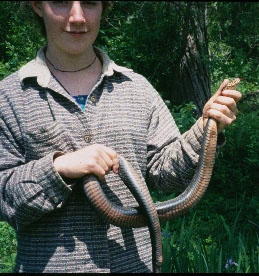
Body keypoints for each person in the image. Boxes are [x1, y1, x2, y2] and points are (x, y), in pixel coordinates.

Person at [0, 1, 242, 273]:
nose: (78, 17)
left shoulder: (137, 88)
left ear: (105, 7)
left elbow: (165, 174)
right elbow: (3, 197)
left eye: (90, 3)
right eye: (62, 2)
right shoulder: (9, 97)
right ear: (37, 6)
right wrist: (58, 168)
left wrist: (207, 127)